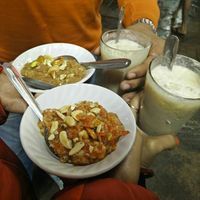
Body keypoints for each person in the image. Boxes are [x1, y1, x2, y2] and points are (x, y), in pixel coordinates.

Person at [0, 0, 177, 199]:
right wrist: (118, 186)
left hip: (88, 60)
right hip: (11, 75)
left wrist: (143, 20)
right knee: (23, 165)